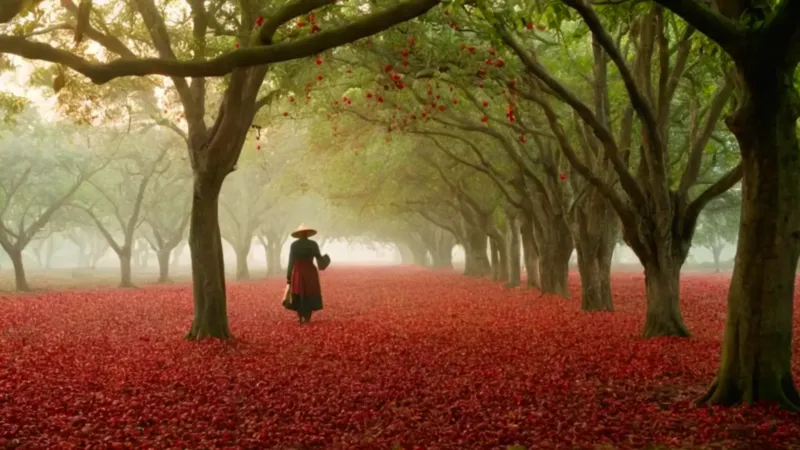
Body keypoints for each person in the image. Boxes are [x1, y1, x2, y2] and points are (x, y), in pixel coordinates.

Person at [284, 224, 330, 324]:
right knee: (310, 293)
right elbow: (319, 258)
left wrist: (288, 277)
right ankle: (307, 318)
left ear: (299, 234)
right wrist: (327, 259)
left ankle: (301, 318)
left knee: (299, 294)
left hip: (298, 271)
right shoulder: (313, 244)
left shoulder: (294, 245)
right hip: (310, 270)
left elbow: (291, 261)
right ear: (307, 234)